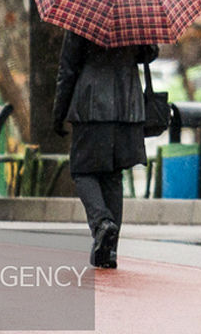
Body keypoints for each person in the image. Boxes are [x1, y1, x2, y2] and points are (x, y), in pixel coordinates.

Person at [52, 32, 157, 269]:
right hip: (128, 107)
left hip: (92, 107)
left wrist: (59, 114)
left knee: (81, 170)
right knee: (113, 175)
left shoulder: (83, 17)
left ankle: (102, 224)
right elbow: (150, 53)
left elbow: (67, 69)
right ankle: (108, 252)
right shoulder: (136, 15)